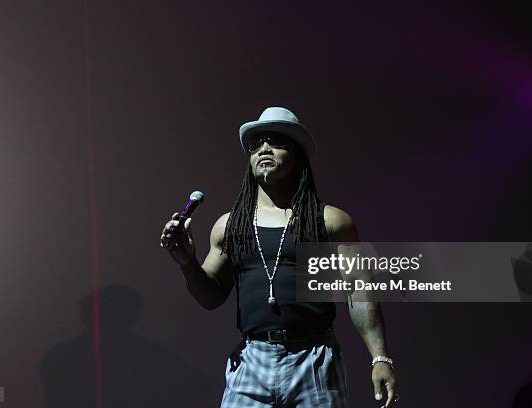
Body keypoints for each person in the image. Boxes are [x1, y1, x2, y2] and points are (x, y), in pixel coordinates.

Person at [161, 107, 398, 407]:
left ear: (297, 154)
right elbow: (210, 297)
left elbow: (360, 291)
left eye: (275, 141)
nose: (263, 149)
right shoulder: (230, 225)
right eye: (256, 145)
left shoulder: (331, 221)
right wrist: (187, 262)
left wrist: (380, 357)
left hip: (313, 360)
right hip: (252, 360)